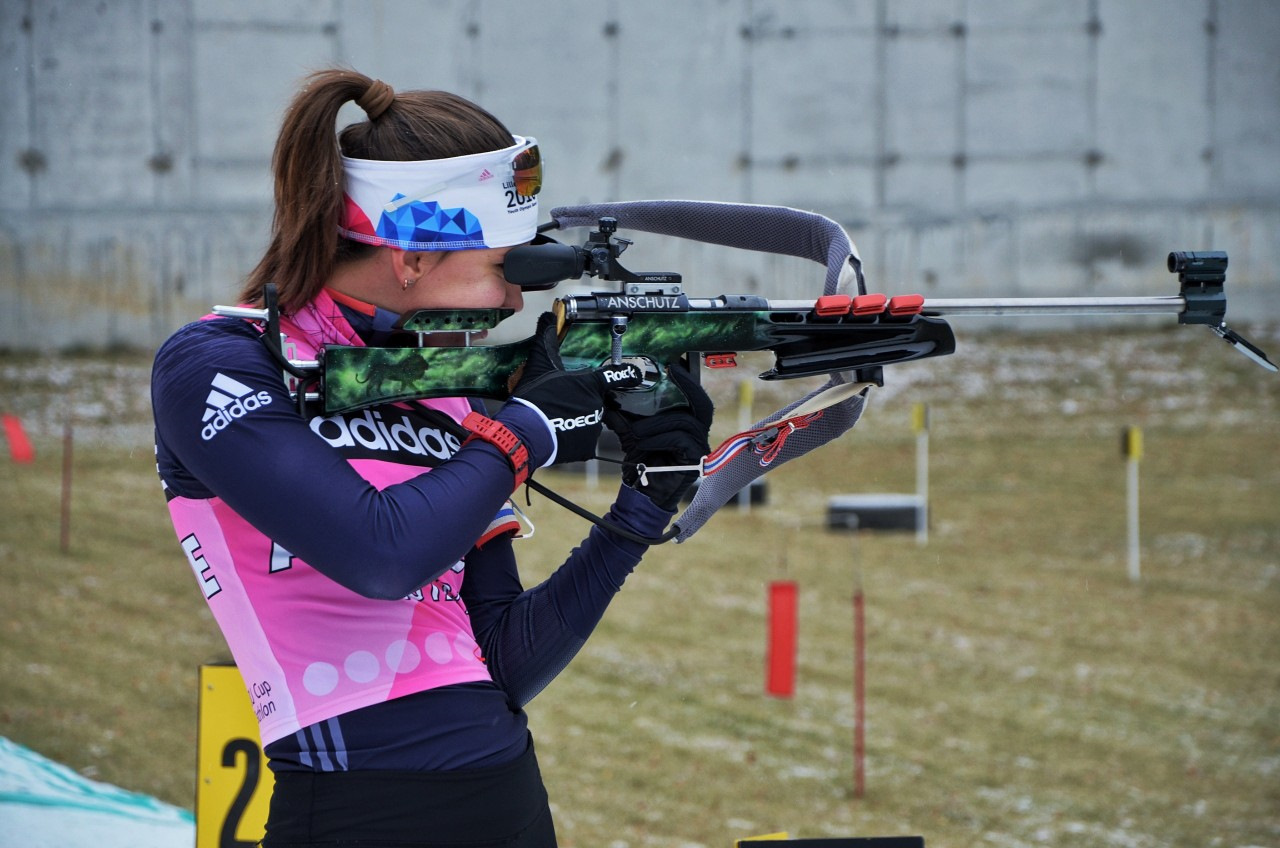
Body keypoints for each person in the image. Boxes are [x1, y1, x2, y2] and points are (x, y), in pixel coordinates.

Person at [150, 68, 712, 847]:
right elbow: (381, 554)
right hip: (352, 810)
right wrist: (527, 430)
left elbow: (502, 662)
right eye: (501, 269)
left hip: (508, 801)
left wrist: (642, 505)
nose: (517, 301)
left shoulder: (453, 391)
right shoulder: (221, 366)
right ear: (411, 259)